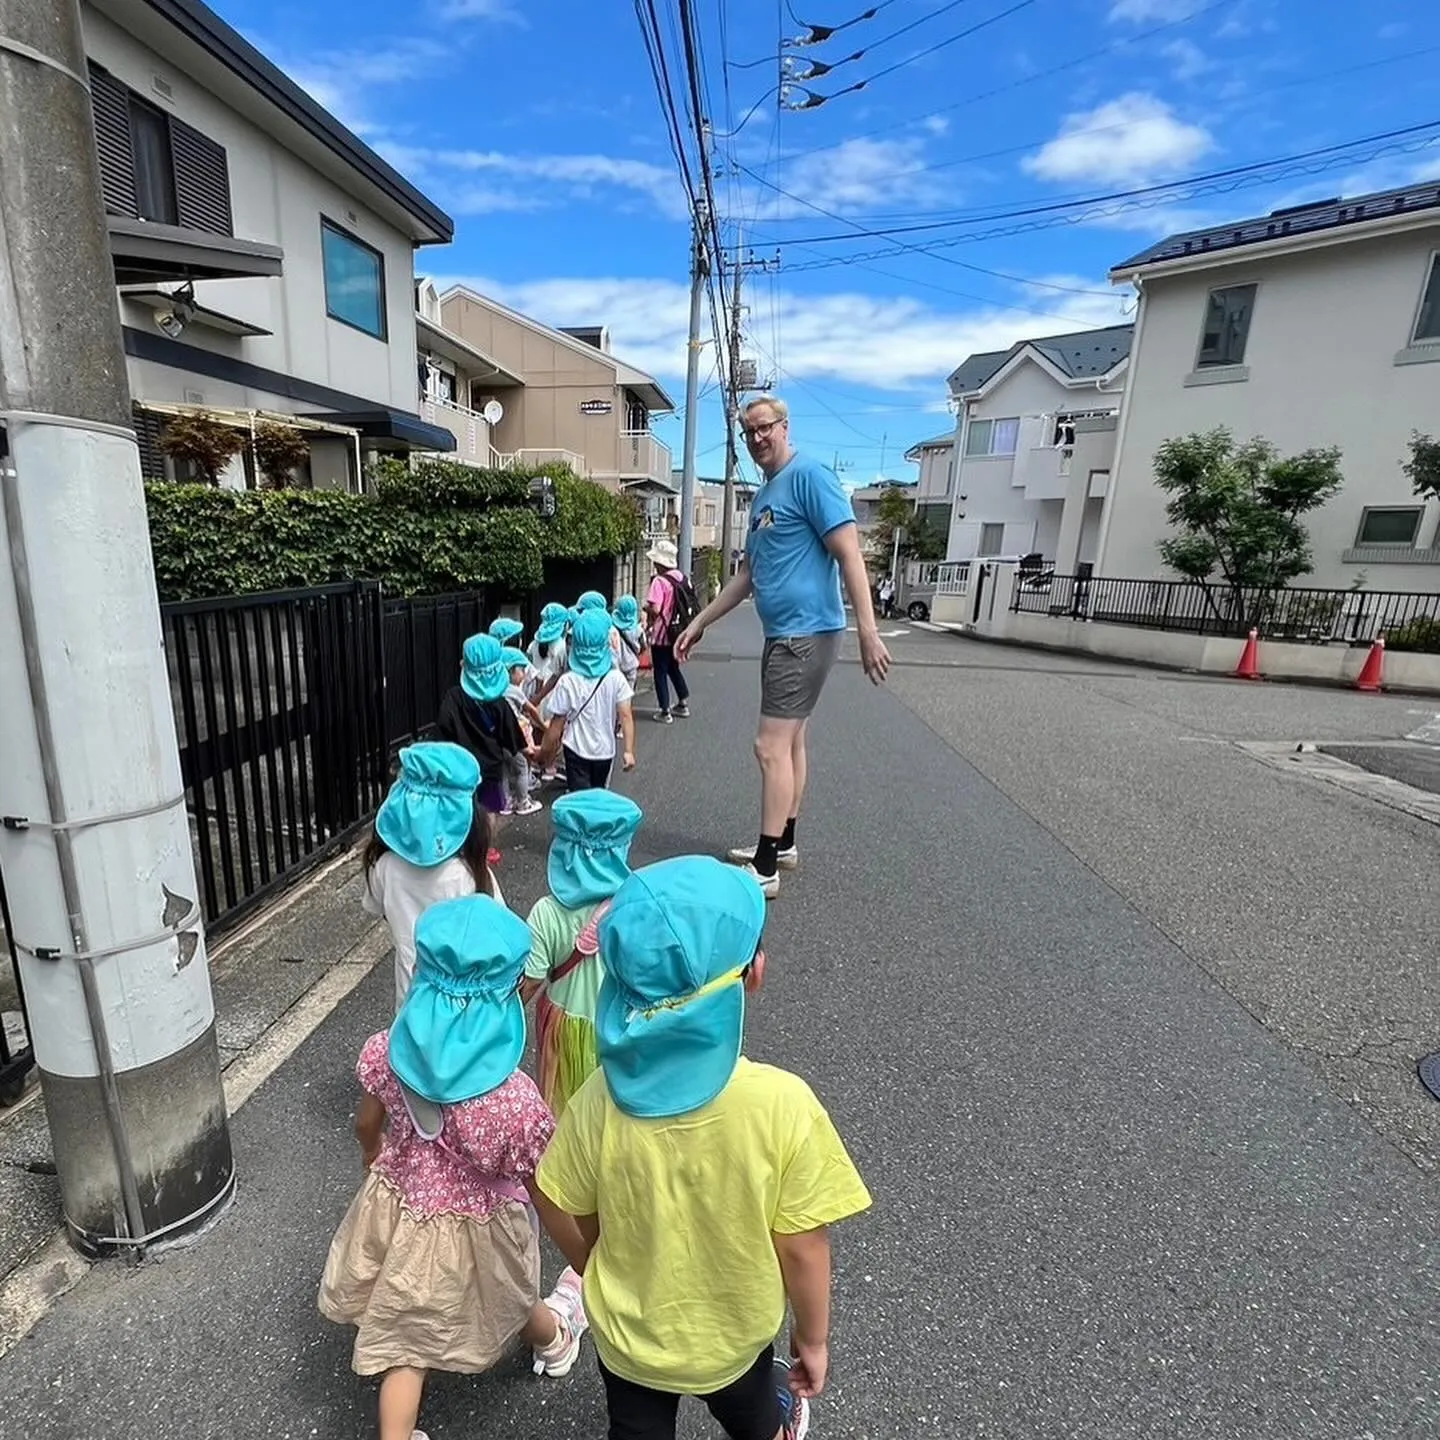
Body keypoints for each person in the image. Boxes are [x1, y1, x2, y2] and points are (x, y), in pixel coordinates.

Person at [533, 856, 872, 1440]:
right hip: (734, 1339)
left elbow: (556, 1195)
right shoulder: (782, 1105)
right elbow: (802, 1248)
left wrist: (597, 1262)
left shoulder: (597, 1100)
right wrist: (812, 1341)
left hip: (631, 1341)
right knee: (755, 1417)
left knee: (635, 1428)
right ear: (755, 973)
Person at [318, 895, 587, 1440]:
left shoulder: (388, 1050)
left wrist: (373, 1154)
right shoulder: (511, 1103)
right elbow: (546, 1195)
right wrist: (590, 1258)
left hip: (401, 1210)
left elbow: (366, 1122)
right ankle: (555, 1341)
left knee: (405, 1338)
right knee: (511, 1296)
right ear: (505, 996)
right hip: (482, 1227)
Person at [676, 396, 892, 898]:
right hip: (784, 635)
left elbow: (848, 553)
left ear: (784, 426)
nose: (756, 439)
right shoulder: (766, 496)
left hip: (805, 633)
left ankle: (766, 866)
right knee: (791, 742)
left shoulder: (811, 477)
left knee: (768, 746)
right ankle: (783, 845)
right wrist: (700, 622)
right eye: (749, 431)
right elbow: (747, 577)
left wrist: (868, 629)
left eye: (764, 428)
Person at [521, 789, 643, 1118]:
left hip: (561, 1026)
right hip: (621, 1026)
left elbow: (529, 983)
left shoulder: (546, 912)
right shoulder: (637, 908)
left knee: (561, 1114)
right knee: (614, 1115)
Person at [362, 742, 502, 1013]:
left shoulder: (383, 867)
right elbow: (497, 932)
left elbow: (379, 908)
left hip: (409, 1002)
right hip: (463, 1007)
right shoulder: (469, 875)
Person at [436, 633, 532, 820]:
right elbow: (514, 740)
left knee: (464, 812)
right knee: (489, 812)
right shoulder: (499, 702)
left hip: (461, 769)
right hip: (491, 770)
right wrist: (537, 753)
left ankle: (467, 847)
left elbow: (442, 734)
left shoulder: (452, 698)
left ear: (464, 665)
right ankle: (487, 848)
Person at [539, 609, 635, 792]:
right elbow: (626, 715)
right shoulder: (616, 678)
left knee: (579, 799)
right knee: (598, 796)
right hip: (605, 751)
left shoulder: (567, 681)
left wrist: (544, 753)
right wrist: (629, 751)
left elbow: (555, 727)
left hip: (575, 750)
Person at [644, 539, 692, 724]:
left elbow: (656, 610)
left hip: (662, 635)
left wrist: (645, 609)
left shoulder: (659, 581)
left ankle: (665, 711)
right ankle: (682, 702)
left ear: (659, 562)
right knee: (673, 667)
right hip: (679, 632)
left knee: (660, 672)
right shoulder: (682, 578)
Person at [501, 647, 544, 817]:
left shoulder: (498, 690)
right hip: (515, 736)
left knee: (503, 769)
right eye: (521, 670)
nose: (524, 674)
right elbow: (531, 709)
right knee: (521, 767)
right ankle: (523, 802)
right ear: (511, 671)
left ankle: (505, 802)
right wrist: (543, 725)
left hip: (500, 737)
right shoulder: (514, 691)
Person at [612, 594, 647, 688]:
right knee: (628, 694)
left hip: (616, 667)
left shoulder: (612, 628)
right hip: (631, 666)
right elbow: (644, 647)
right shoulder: (638, 630)